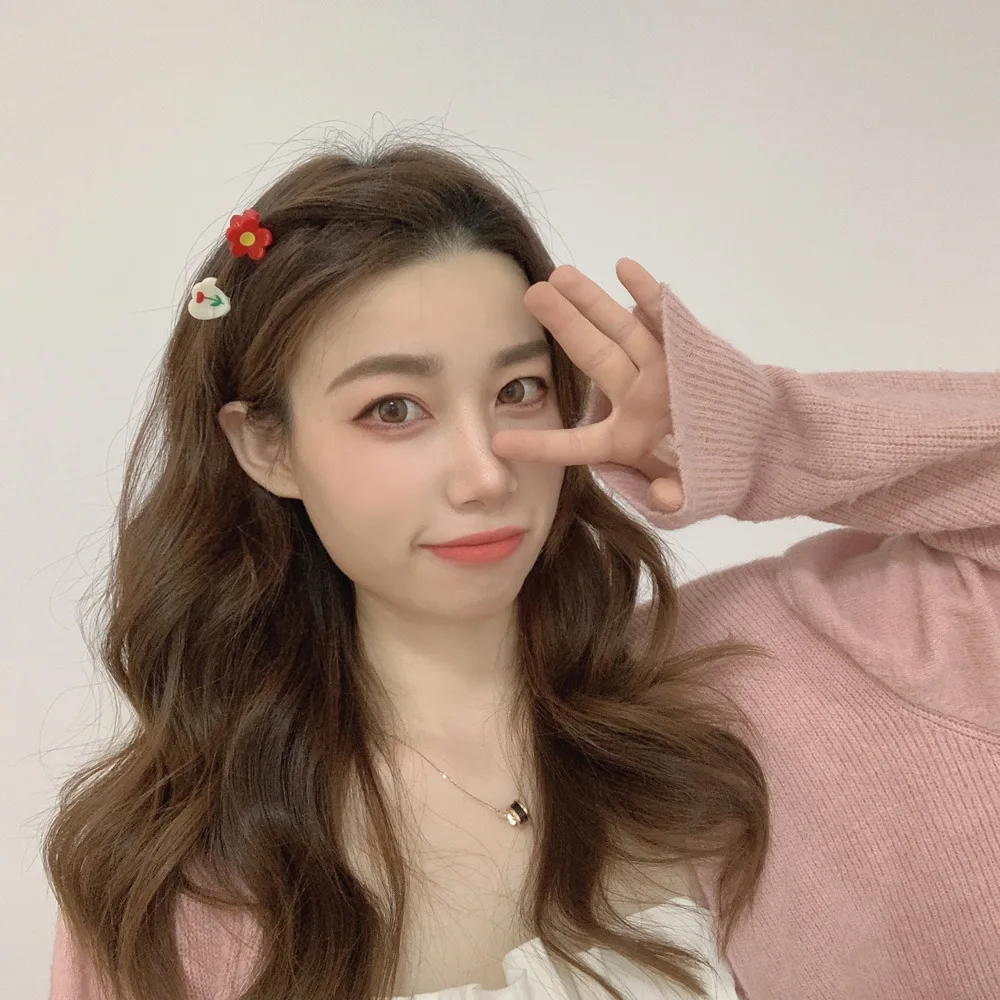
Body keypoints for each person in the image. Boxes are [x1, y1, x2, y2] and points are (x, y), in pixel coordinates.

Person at [44, 140, 999, 1000]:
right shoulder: (173, 880)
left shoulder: (786, 666)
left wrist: (763, 436)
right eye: (394, 409)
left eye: (519, 390)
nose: (487, 472)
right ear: (267, 446)